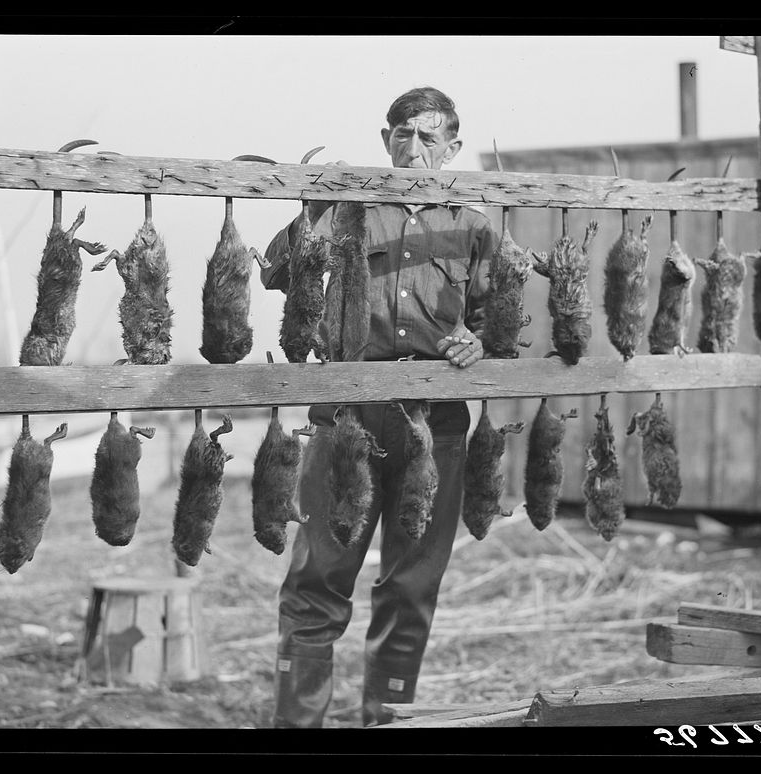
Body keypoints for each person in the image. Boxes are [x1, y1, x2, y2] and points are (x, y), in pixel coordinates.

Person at [260, 86, 496, 728]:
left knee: (412, 586)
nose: (412, 147)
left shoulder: (473, 226)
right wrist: (312, 212)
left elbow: (495, 324)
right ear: (384, 138)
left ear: (452, 147)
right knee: (316, 583)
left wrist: (478, 341)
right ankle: (297, 724)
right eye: (401, 133)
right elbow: (276, 275)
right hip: (347, 418)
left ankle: (388, 722)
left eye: (428, 136)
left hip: (435, 421)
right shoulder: (348, 207)